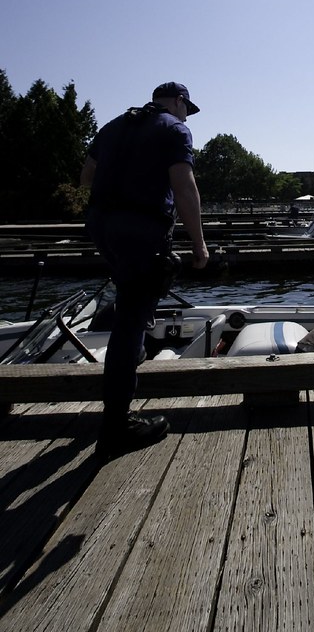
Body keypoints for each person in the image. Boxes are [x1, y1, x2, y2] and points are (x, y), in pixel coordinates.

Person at [80, 81, 209, 460]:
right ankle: (116, 425)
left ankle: (131, 358)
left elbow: (86, 176)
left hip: (103, 228)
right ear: (178, 101)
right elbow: (185, 188)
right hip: (140, 230)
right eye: (187, 108)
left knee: (130, 297)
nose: (187, 115)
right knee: (131, 319)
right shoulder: (174, 128)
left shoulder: (115, 125)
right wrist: (199, 245)